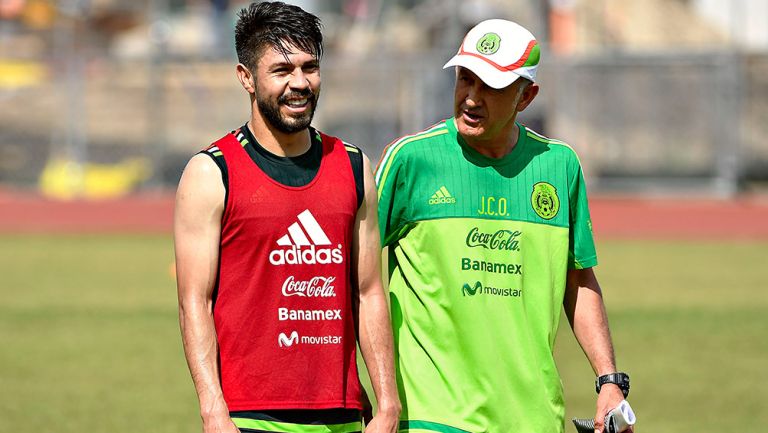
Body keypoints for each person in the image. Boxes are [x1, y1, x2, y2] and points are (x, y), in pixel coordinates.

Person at [375, 19, 633, 433]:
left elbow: (579, 280)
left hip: (533, 418)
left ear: (526, 96)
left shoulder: (559, 165)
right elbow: (354, 273)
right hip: (432, 415)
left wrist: (608, 380)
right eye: (465, 79)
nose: (471, 98)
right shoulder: (410, 160)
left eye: (490, 86)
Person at [174, 2, 400, 433]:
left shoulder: (354, 166)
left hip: (344, 415)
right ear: (246, 78)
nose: (300, 83)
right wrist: (212, 410)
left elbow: (370, 291)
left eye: (310, 67)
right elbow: (193, 302)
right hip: (250, 417)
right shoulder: (211, 172)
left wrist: (387, 402)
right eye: (281, 70)